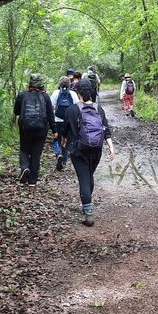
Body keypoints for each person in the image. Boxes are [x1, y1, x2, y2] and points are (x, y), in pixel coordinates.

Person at [64, 79, 115, 226]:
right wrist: (111, 147)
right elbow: (106, 130)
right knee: (89, 176)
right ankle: (88, 203)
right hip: (96, 150)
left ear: (78, 93)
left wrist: (63, 140)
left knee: (84, 179)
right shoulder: (99, 109)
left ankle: (89, 213)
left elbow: (65, 131)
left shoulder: (72, 110)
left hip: (78, 151)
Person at [13, 73, 57, 187]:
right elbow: (50, 115)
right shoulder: (45, 97)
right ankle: (33, 180)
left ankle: (24, 168)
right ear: (41, 84)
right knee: (36, 154)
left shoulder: (22, 95)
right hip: (41, 129)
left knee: (24, 149)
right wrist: (54, 130)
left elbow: (16, 112)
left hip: (25, 128)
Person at [50, 76, 79, 171]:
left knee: (56, 139)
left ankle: (58, 154)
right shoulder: (73, 94)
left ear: (59, 84)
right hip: (69, 121)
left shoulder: (55, 93)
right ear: (69, 84)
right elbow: (78, 107)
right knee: (68, 141)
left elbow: (51, 106)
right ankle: (64, 162)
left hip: (57, 120)